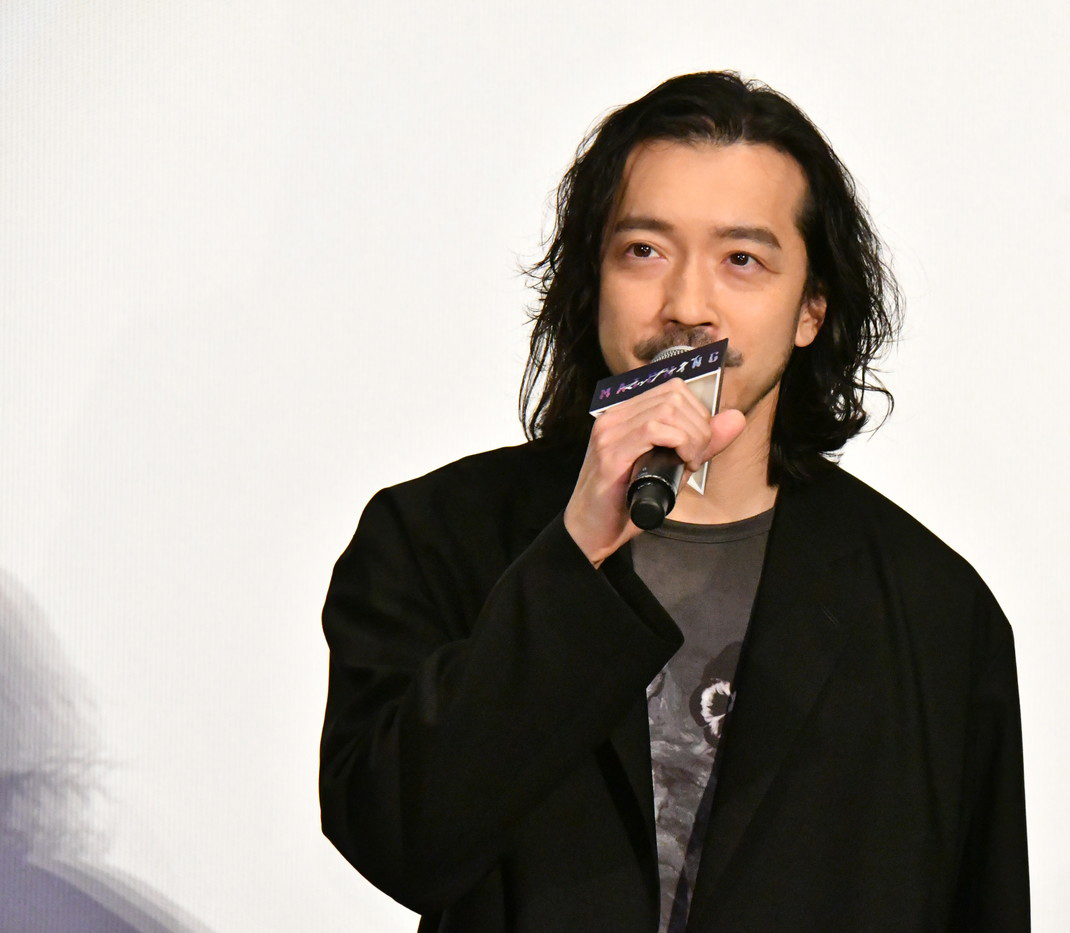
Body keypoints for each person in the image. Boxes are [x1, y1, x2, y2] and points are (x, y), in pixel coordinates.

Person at [319, 71, 1030, 933]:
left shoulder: (934, 611)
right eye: (644, 251)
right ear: (593, 278)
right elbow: (398, 838)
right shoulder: (436, 535)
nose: (687, 306)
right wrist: (575, 551)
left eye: (742, 260)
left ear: (811, 308)